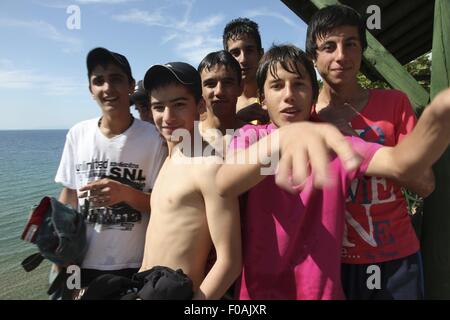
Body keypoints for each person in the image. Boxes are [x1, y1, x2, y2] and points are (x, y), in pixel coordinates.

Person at [214, 44, 450, 299]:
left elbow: (401, 164)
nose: (289, 95)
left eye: (299, 84)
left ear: (313, 95)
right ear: (262, 98)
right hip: (257, 296)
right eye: (277, 86)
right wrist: (286, 137)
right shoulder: (252, 137)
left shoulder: (334, 142)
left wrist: (437, 117)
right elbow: (225, 182)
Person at [305, 4, 434, 299]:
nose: (341, 56)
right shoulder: (304, 120)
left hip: (395, 258)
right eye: (329, 46)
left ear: (362, 50)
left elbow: (426, 184)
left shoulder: (394, 104)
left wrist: (363, 148)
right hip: (330, 260)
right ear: (314, 56)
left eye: (350, 44)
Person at [54, 47, 166, 298]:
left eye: (116, 78)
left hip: (136, 264)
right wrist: (59, 248)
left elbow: (164, 205)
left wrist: (125, 193)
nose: (107, 88)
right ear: (90, 89)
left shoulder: (153, 139)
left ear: (130, 85)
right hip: (81, 263)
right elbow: (70, 194)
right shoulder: (77, 134)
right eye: (98, 81)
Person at [137, 61, 242, 300]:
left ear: (200, 106)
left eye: (179, 105)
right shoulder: (170, 158)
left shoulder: (209, 166)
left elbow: (230, 262)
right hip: (145, 289)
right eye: (158, 107)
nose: (167, 117)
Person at [223, 17, 269, 125]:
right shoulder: (220, 101)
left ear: (260, 54)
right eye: (235, 53)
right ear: (226, 58)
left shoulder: (278, 94)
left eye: (249, 50)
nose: (243, 59)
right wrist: (237, 119)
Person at [197, 50, 243, 155]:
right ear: (200, 90)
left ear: (241, 87)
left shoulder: (258, 137)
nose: (219, 92)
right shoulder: (189, 137)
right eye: (210, 84)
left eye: (227, 83)